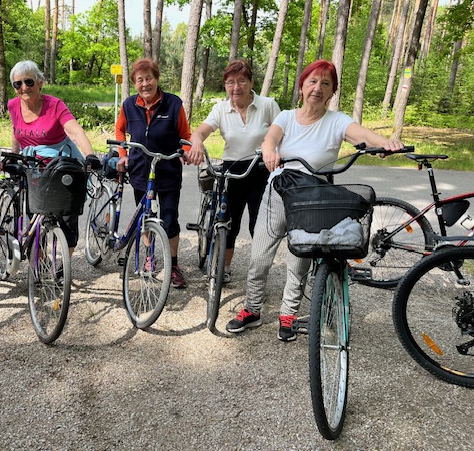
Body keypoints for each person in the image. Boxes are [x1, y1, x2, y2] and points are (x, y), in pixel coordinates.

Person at [225, 59, 405, 340]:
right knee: (259, 257)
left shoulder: (337, 121)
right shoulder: (286, 116)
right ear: (302, 87)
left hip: (312, 201)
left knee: (299, 262)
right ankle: (252, 309)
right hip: (278, 193)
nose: (317, 88)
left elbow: (361, 134)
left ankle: (288, 314)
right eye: (312, 81)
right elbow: (270, 139)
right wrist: (269, 151)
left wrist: (385, 143)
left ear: (332, 91)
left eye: (325, 83)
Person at [187, 59, 280, 284]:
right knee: (228, 222)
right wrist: (196, 142)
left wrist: (277, 155)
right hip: (231, 170)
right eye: (230, 82)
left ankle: (258, 275)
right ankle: (224, 267)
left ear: (251, 83)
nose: (236, 87)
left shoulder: (268, 105)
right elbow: (200, 132)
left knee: (260, 225)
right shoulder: (221, 108)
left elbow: (283, 133)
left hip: (261, 169)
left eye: (241, 81)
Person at [8, 60, 100, 255]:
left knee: (67, 218)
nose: (24, 87)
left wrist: (90, 155)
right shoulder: (13, 105)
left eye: (29, 82)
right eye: (18, 84)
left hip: (60, 167)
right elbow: (16, 132)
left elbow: (75, 132)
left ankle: (63, 265)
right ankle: (39, 263)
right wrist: (14, 156)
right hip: (33, 168)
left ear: (40, 82)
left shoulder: (55, 105)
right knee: (34, 218)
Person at [115, 58, 192, 288]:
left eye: (149, 78)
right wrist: (123, 154)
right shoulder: (129, 105)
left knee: (170, 220)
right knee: (144, 217)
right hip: (140, 168)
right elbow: (119, 130)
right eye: (140, 80)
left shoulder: (173, 104)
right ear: (135, 83)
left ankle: (173, 265)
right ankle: (149, 257)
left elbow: (185, 135)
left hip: (168, 169)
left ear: (157, 79)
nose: (145, 84)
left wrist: (186, 151)